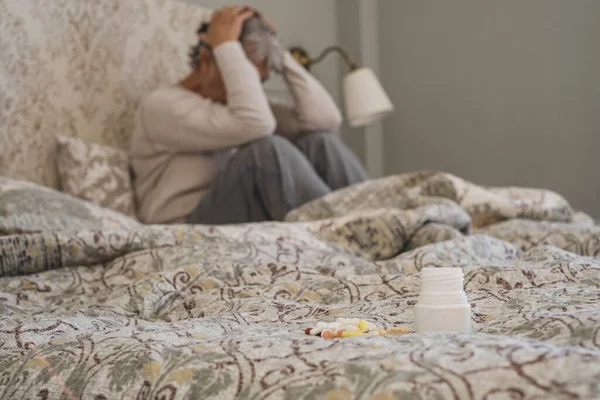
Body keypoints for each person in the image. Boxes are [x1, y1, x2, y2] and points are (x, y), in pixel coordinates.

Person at [130, 6, 368, 225]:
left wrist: (278, 51)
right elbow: (257, 125)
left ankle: (378, 221)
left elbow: (326, 121)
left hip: (239, 215)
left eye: (257, 81)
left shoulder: (243, 111)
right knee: (266, 151)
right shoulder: (161, 106)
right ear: (206, 62)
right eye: (240, 73)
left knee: (319, 142)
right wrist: (225, 47)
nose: (246, 85)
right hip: (184, 227)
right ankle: (349, 234)